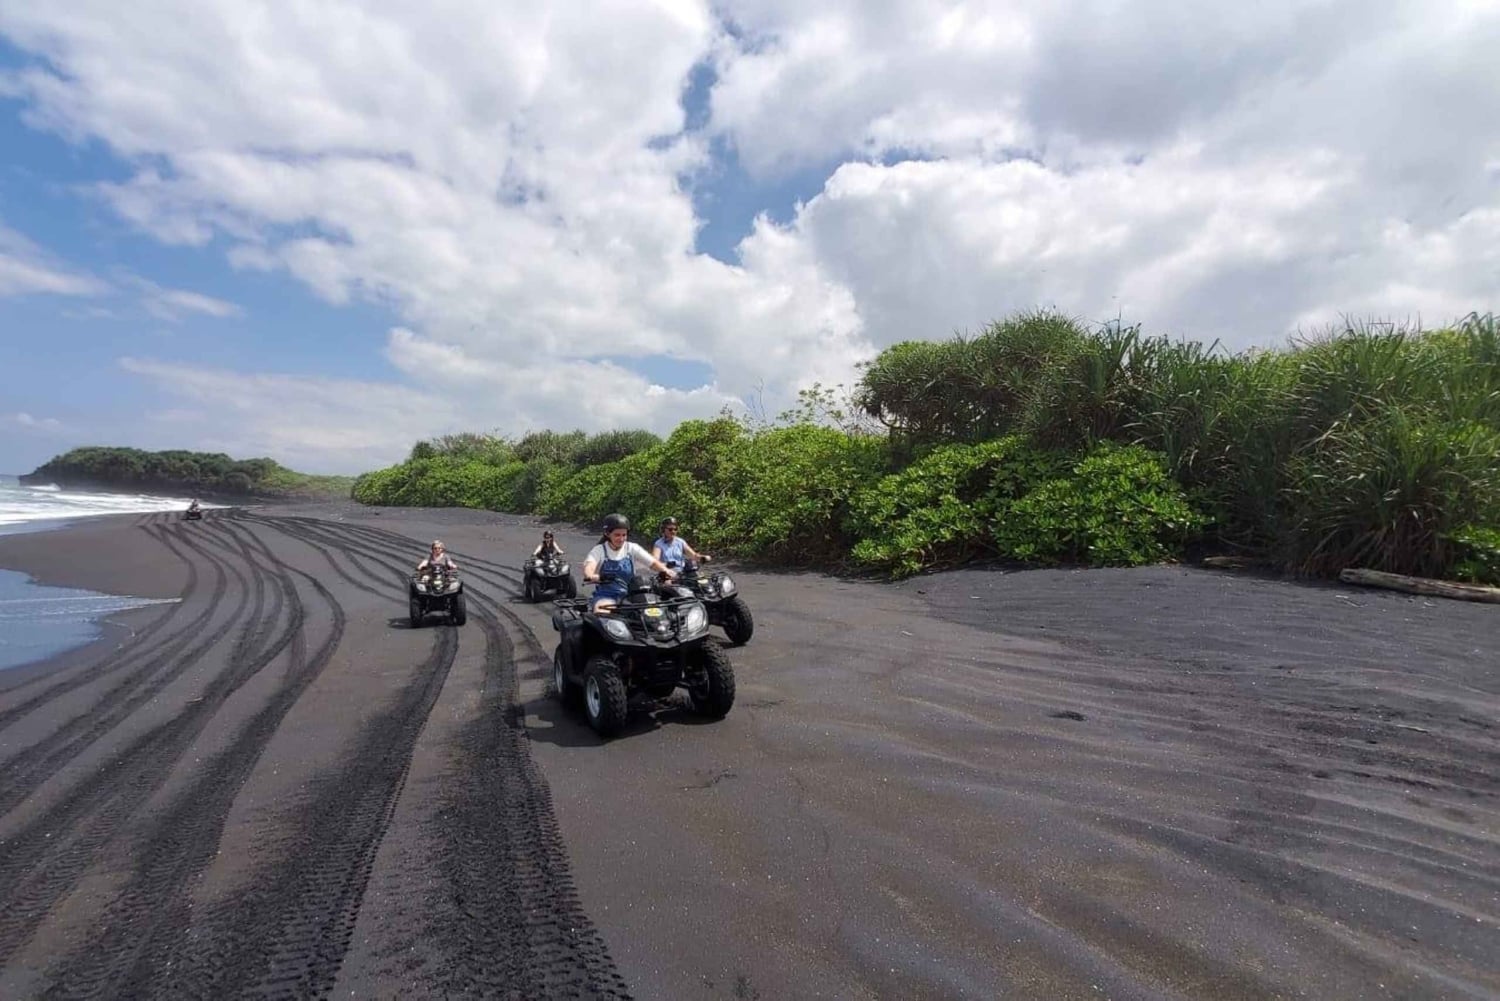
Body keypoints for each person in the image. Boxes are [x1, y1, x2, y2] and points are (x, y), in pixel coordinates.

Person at [582, 514, 675, 612]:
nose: (621, 539)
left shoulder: (631, 547)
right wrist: (592, 576)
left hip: (632, 595)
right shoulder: (599, 550)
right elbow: (589, 567)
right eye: (617, 535)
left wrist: (667, 572)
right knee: (603, 614)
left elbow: (653, 563)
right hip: (607, 596)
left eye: (624, 535)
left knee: (656, 613)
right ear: (607, 534)